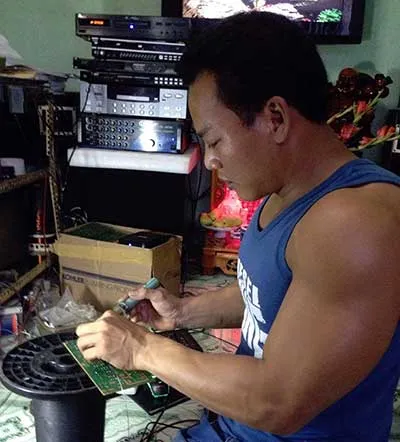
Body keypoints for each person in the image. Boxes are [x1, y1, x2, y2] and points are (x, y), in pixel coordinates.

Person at [76, 11, 400, 441]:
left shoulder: (356, 223)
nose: (210, 160)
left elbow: (277, 402)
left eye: (213, 140)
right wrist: (183, 312)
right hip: (231, 426)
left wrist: (141, 349)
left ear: (275, 118)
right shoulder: (286, 187)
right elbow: (271, 296)